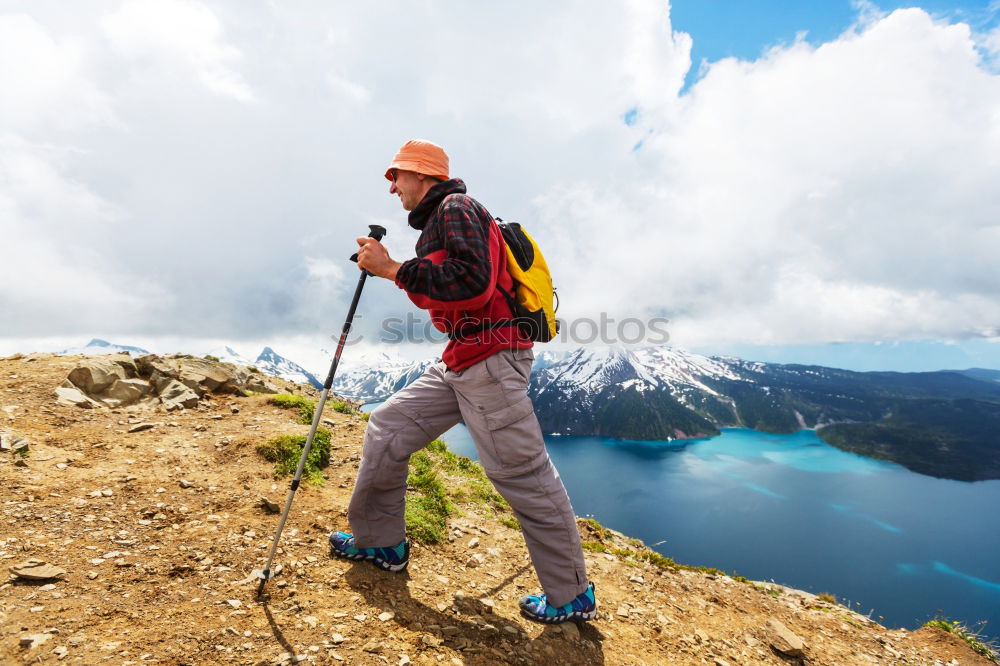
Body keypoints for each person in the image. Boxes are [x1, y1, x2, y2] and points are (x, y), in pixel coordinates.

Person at [329, 139, 596, 624]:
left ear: (422, 174)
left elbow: (471, 280)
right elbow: (453, 289)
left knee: (523, 476)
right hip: (462, 359)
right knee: (388, 428)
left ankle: (571, 593)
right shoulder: (439, 222)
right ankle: (381, 542)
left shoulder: (456, 207)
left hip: (491, 361)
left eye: (396, 176)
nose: (391, 188)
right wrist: (395, 269)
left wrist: (390, 269)